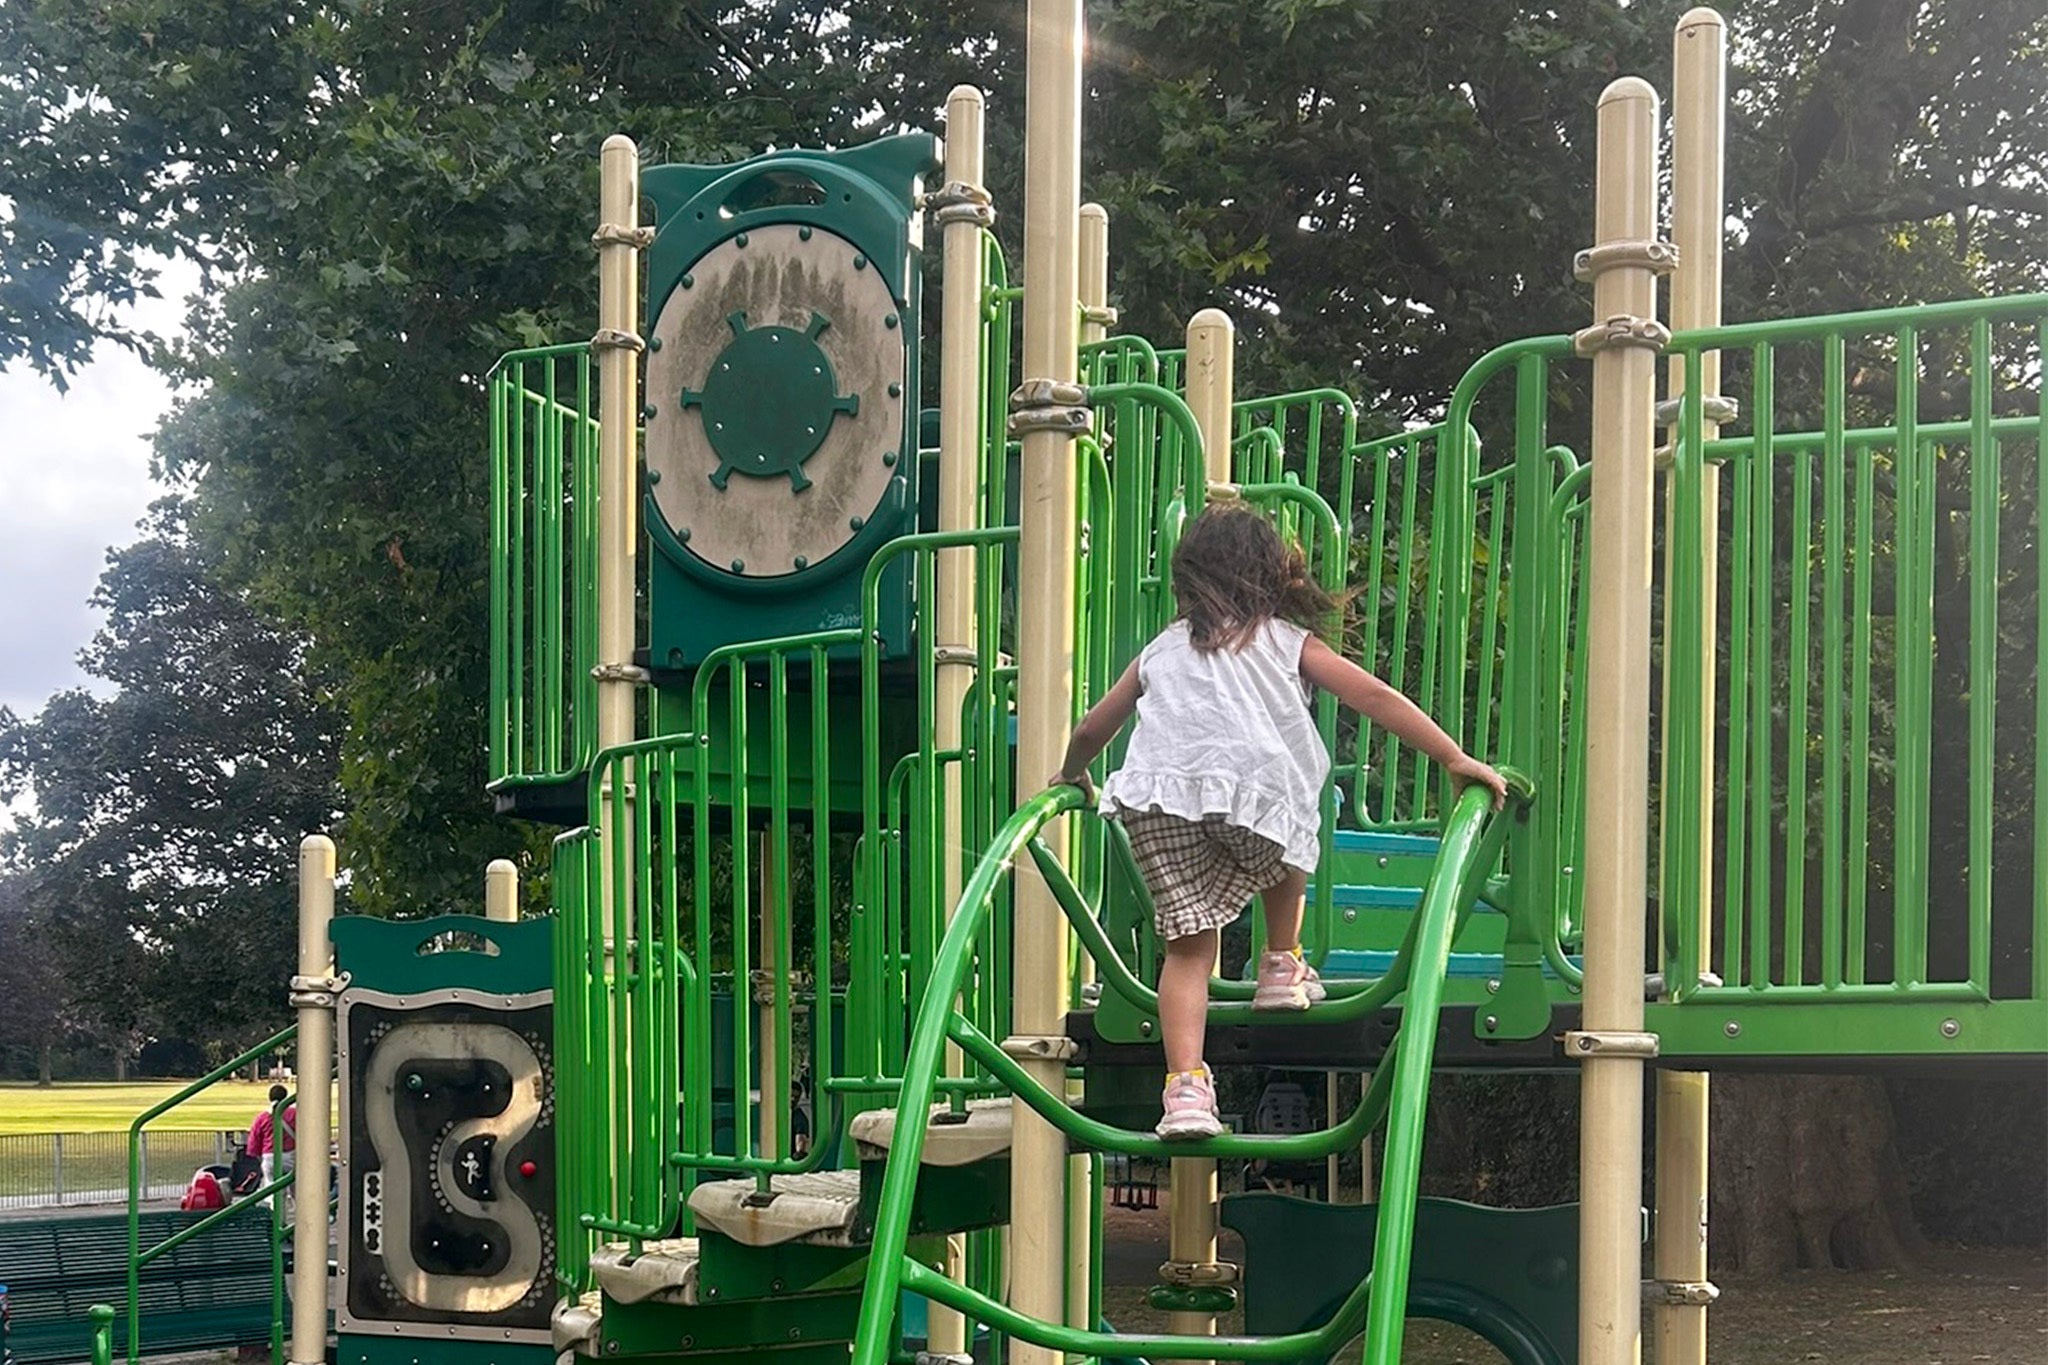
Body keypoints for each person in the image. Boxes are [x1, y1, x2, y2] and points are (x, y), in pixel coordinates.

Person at [1051, 504, 1507, 1140]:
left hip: (1156, 801)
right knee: (1289, 834)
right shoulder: (1287, 641)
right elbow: (1371, 696)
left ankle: (1184, 1089)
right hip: (1255, 789)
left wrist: (1073, 772)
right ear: (1272, 578)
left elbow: (1093, 726)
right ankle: (1279, 962)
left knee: (1188, 948)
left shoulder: (1162, 647)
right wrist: (1451, 756)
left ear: (1189, 579)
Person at [247, 1083, 297, 1200]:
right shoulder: (294, 1114)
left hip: (270, 1157)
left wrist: (260, 1157)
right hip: (291, 1156)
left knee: (273, 1192)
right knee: (298, 1192)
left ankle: (275, 1215)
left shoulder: (262, 1117)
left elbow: (254, 1142)